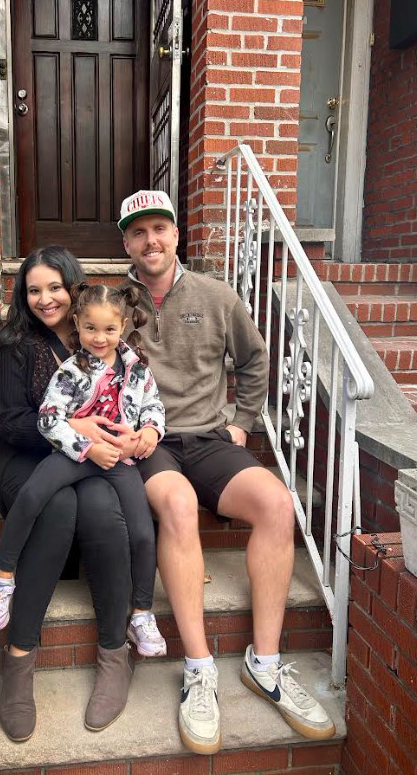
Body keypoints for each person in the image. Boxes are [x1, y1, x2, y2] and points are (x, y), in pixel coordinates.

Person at [116, 189, 336, 755]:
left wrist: (242, 420)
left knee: (277, 504)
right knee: (180, 505)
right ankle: (199, 668)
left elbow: (256, 358)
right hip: (151, 444)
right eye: (138, 233)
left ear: (176, 234)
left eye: (159, 228)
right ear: (126, 244)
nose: (151, 241)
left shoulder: (216, 295)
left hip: (212, 439)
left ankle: (264, 663)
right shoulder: (114, 303)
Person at [0, 247, 136, 742]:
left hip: (82, 458)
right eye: (33, 289)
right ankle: (18, 660)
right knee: (59, 505)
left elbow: (132, 397)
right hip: (22, 455)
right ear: (22, 295)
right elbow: (10, 423)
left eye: (54, 287)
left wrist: (131, 434)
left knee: (101, 507)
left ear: (74, 288)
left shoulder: (97, 332)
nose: (45, 299)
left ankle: (115, 654)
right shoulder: (14, 344)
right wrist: (75, 429)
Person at [0, 282, 168, 662]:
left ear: (124, 325)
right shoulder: (70, 370)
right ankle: (3, 578)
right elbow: (50, 419)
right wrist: (87, 448)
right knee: (33, 495)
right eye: (90, 329)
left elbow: (153, 405)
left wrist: (150, 430)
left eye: (110, 330)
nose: (100, 338)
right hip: (75, 455)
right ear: (78, 325)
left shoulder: (137, 368)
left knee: (143, 532)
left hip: (119, 459)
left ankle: (143, 612)